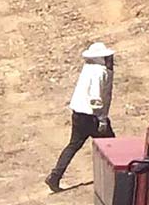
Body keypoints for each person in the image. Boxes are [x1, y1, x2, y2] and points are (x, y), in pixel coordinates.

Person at [46, 42, 115, 192]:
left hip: (78, 114)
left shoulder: (88, 68)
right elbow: (96, 97)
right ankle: (118, 176)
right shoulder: (99, 72)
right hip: (93, 116)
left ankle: (55, 176)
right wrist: (102, 119)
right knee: (111, 146)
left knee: (73, 145)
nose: (110, 60)